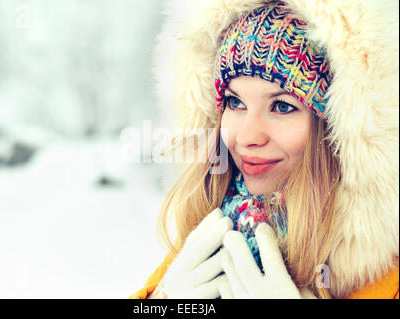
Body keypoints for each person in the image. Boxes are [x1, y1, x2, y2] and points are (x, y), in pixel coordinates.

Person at [130, 0, 399, 299]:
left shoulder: (387, 272)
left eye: (282, 106)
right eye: (235, 102)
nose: (247, 136)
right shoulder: (210, 233)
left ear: (340, 129)